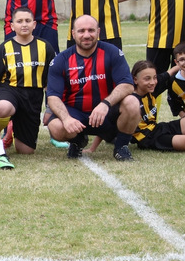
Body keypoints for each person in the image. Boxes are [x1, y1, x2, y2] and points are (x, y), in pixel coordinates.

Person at [45, 16, 140, 161]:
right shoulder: (61, 60)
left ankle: (121, 146)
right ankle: (77, 141)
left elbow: (127, 85)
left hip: (107, 114)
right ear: (73, 33)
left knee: (132, 103)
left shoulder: (112, 52)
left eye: (91, 30)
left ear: (98, 32)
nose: (86, 35)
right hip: (76, 114)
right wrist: (66, 119)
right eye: (81, 31)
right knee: (56, 127)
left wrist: (105, 103)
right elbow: (52, 97)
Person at [0, 7, 56, 156]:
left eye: (28, 21)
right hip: (10, 91)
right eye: (19, 21)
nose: (24, 24)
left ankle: (12, 127)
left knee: (25, 151)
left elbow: (51, 83)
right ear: (12, 26)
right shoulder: (4, 48)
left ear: (34, 24)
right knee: (2, 108)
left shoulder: (46, 47)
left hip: (33, 97)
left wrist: (49, 109)